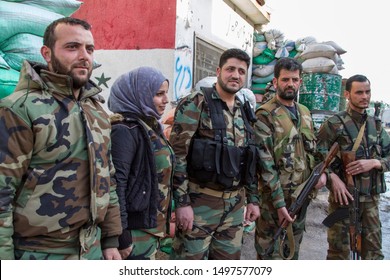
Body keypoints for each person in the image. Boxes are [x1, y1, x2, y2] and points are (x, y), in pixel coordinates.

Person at [0, 17, 122, 260]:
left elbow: (107, 176)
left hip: (91, 249)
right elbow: (2, 191)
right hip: (39, 253)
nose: (84, 55)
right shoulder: (20, 108)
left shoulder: (96, 110)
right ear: (47, 53)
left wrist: (110, 240)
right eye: (72, 47)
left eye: (89, 48)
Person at [169, 48, 260, 260]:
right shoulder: (197, 102)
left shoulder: (244, 108)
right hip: (201, 204)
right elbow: (177, 156)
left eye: (241, 71)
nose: (235, 75)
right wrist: (182, 204)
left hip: (235, 206)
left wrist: (253, 199)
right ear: (218, 71)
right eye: (230, 69)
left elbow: (249, 158)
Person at [254, 57, 326, 260]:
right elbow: (265, 165)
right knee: (270, 253)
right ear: (275, 82)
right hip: (273, 203)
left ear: (300, 82)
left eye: (295, 80)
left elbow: (314, 152)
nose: (290, 84)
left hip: (301, 197)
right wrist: (279, 204)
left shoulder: (305, 113)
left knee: (292, 252)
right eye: (285, 79)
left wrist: (323, 175)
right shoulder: (265, 115)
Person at [316, 74, 390, 259]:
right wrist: (332, 178)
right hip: (342, 200)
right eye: (359, 92)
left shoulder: (377, 126)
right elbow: (316, 155)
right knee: (337, 253)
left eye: (368, 92)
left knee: (373, 253)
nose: (365, 96)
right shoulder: (333, 124)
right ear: (348, 94)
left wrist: (375, 162)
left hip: (370, 202)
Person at [108, 66, 175, 260]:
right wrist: (121, 236)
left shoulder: (150, 127)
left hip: (149, 230)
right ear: (140, 94)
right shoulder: (125, 130)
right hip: (135, 234)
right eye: (159, 94)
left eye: (166, 93)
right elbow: (116, 184)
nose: (166, 100)